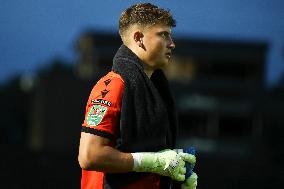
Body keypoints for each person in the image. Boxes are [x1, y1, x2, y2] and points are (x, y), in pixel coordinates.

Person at [78, 3, 198, 189]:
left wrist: (175, 180)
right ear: (138, 38)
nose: (172, 43)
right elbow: (89, 156)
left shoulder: (157, 90)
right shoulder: (113, 84)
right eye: (163, 34)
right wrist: (153, 161)